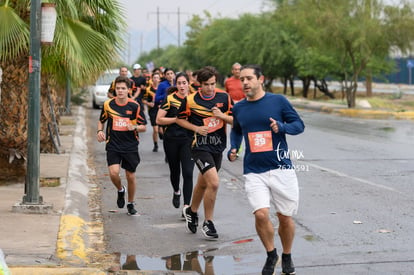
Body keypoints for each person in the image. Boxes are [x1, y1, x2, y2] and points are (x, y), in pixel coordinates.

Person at [228, 64, 304, 275]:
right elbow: (236, 131)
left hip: (281, 168)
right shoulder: (239, 108)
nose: (245, 82)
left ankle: (286, 254)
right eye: (242, 79)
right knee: (261, 215)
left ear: (261, 79)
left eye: (249, 78)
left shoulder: (278, 101)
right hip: (253, 170)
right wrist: (233, 147)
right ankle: (271, 254)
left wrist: (283, 127)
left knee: (285, 217)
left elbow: (299, 125)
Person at [176, 66, 233, 240]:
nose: (210, 88)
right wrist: (196, 128)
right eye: (206, 84)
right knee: (214, 183)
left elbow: (235, 120)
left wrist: (222, 116)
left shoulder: (224, 97)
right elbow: (179, 119)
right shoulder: (191, 100)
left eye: (213, 84)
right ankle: (208, 222)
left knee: (203, 184)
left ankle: (191, 212)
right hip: (199, 147)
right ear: (199, 84)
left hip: (218, 146)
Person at [97, 76, 147, 215]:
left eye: (123, 88)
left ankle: (130, 203)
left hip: (130, 145)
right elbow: (101, 120)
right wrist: (100, 131)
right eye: (118, 88)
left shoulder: (134, 106)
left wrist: (135, 127)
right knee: (113, 173)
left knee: (130, 176)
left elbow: (144, 127)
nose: (120, 91)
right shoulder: (108, 104)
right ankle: (120, 190)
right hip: (113, 144)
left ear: (129, 90)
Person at [156, 73, 195, 215]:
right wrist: (175, 120)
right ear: (175, 85)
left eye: (184, 83)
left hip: (189, 140)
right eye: (179, 83)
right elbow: (159, 119)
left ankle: (186, 207)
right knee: (175, 171)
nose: (182, 86)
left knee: (188, 173)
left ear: (189, 83)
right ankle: (176, 191)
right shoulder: (170, 99)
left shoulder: (194, 99)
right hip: (171, 139)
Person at [142, 71, 162, 152]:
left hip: (162, 110)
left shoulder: (162, 88)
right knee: (156, 130)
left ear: (159, 79)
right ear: (152, 79)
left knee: (162, 130)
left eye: (157, 78)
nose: (156, 79)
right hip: (152, 111)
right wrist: (148, 103)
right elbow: (143, 99)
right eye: (154, 78)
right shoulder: (148, 89)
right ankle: (156, 144)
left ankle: (166, 144)